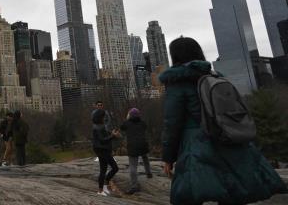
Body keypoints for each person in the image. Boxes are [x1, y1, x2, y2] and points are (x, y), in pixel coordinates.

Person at [160, 36, 286, 205]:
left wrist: (168, 157)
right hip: (229, 139)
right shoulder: (215, 76)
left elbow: (172, 123)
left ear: (174, 56)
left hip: (198, 147)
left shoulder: (176, 82)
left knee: (194, 195)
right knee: (234, 193)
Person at [119, 108, 152, 194]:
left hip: (132, 146)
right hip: (143, 144)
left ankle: (134, 186)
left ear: (130, 115)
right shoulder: (143, 123)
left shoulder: (127, 123)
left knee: (133, 166)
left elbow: (121, 127)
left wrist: (127, 118)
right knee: (145, 158)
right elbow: (145, 127)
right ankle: (148, 173)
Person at [92, 108, 121, 196]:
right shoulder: (98, 127)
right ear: (100, 117)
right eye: (103, 116)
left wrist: (112, 134)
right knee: (115, 168)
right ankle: (104, 185)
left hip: (101, 150)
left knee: (103, 170)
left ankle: (102, 189)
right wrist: (112, 136)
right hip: (103, 150)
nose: (104, 118)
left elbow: (105, 135)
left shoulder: (98, 125)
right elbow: (103, 140)